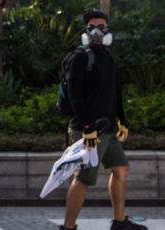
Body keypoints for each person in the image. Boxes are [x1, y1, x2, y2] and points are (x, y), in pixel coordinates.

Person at [60, 10, 147, 230]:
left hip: (107, 129)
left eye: (102, 26)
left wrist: (122, 120)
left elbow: (115, 91)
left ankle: (119, 222)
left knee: (121, 169)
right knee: (83, 179)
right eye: (92, 27)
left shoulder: (109, 58)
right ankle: (68, 228)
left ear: (108, 30)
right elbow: (74, 96)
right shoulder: (78, 57)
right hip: (87, 130)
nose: (97, 31)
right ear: (86, 31)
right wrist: (87, 127)